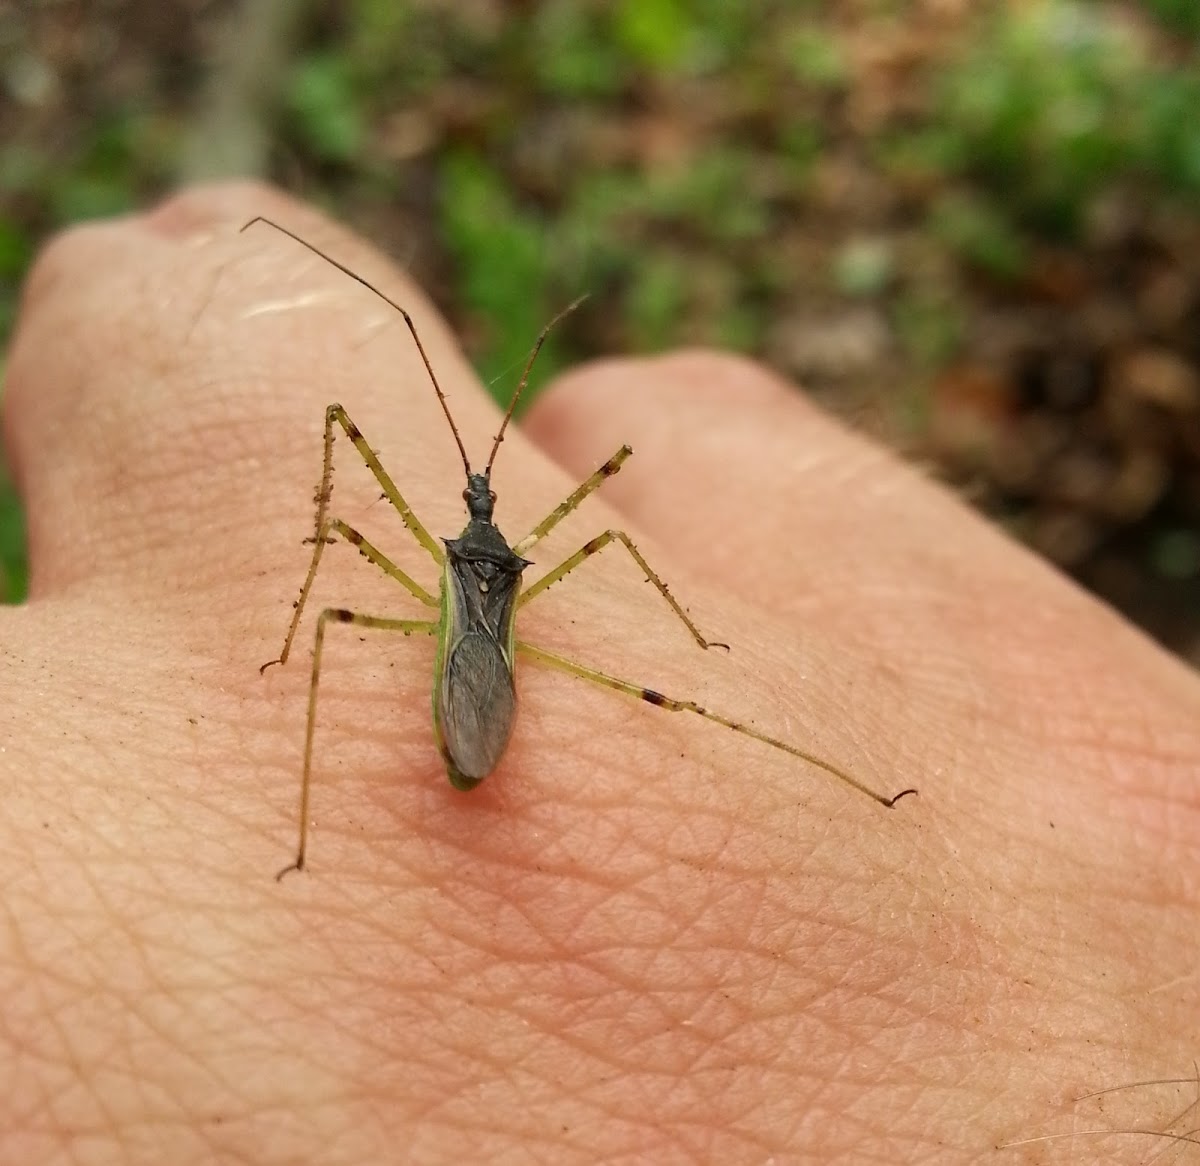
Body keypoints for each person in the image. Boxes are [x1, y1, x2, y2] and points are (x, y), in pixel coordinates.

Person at [2, 182, 1197, 1162]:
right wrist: (690, 625)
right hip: (499, 638)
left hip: (461, 646)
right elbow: (609, 528)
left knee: (330, 630)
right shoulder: (524, 546)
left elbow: (338, 490)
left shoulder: (441, 559)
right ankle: (806, 747)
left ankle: (310, 828)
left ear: (463, 529)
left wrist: (300, 599)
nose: (475, 503)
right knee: (653, 650)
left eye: (473, 503)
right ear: (489, 522)